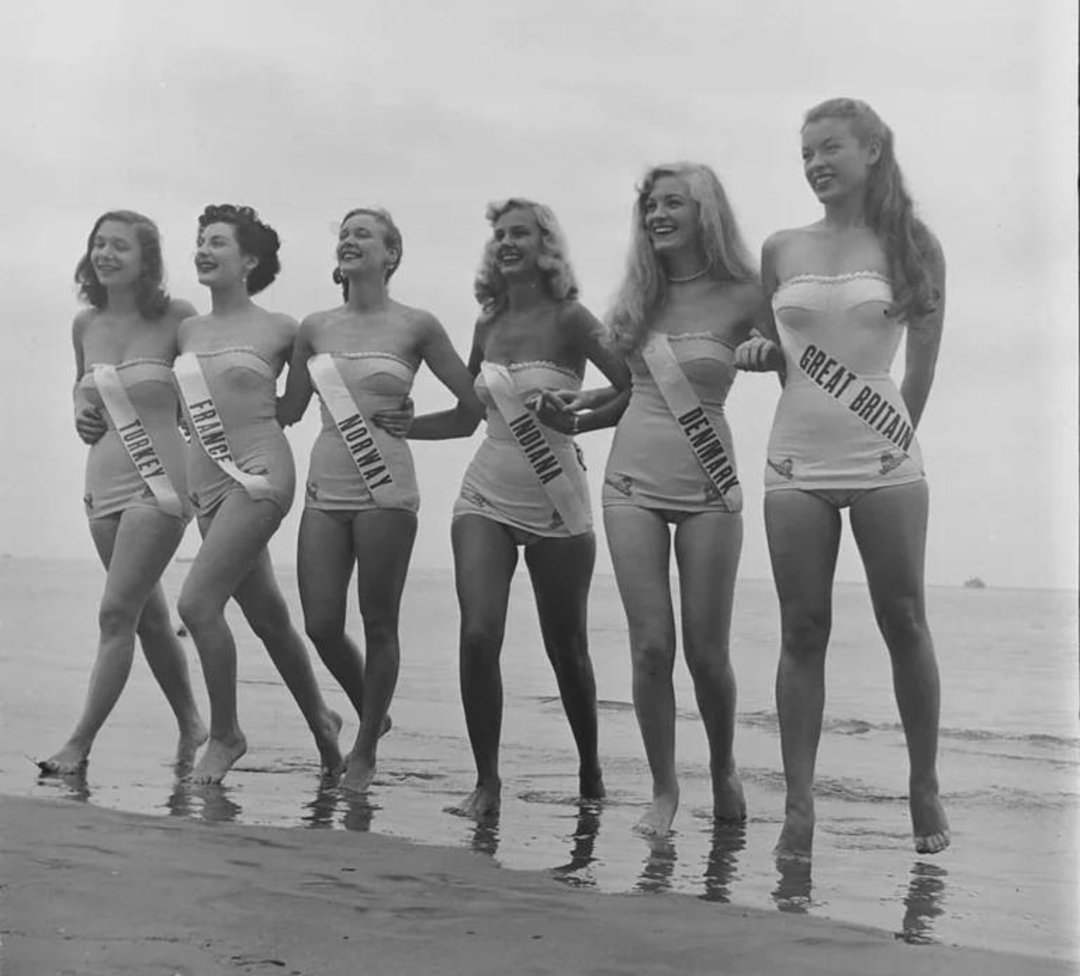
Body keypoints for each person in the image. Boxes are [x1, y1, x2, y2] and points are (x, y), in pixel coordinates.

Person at [735, 98, 949, 858]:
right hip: (795, 456)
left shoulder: (912, 244)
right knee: (802, 630)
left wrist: (896, 441)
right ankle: (798, 807)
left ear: (872, 151)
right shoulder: (780, 248)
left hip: (885, 458)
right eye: (806, 154)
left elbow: (921, 366)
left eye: (830, 148)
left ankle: (923, 783)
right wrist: (761, 354)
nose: (815, 164)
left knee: (905, 620)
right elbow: (778, 351)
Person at [546, 163, 762, 836]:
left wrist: (767, 350)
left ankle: (723, 766)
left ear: (706, 214)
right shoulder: (638, 298)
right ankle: (664, 790)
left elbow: (790, 357)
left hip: (709, 486)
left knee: (707, 652)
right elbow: (629, 394)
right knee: (649, 647)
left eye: (673, 203)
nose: (658, 215)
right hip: (630, 483)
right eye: (650, 205)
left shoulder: (746, 293)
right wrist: (579, 412)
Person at [407, 198, 629, 820]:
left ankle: (590, 773)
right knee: (479, 633)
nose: (506, 243)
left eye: (520, 234)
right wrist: (401, 426)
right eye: (499, 234)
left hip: (557, 493)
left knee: (568, 648)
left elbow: (632, 386)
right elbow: (468, 416)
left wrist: (579, 420)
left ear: (545, 246)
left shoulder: (572, 318)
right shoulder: (488, 323)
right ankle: (487, 784)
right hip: (486, 490)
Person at [277, 207, 480, 793]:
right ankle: (375, 712)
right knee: (320, 623)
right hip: (325, 487)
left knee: (379, 622)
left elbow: (472, 411)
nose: (349, 240)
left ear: (391, 254)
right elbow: (288, 409)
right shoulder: (314, 327)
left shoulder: (417, 325)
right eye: (343, 234)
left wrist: (414, 425)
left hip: (385, 490)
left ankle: (364, 748)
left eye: (362, 234)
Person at [175, 204, 341, 785]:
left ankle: (226, 734)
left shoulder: (281, 329)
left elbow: (294, 405)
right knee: (268, 617)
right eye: (201, 240)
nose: (203, 249)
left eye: (217, 241)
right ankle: (323, 722)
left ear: (249, 260)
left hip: (261, 472)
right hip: (205, 485)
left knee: (196, 605)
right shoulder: (186, 331)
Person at [38, 210, 207, 777]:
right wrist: (79, 413)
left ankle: (78, 744)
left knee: (115, 613)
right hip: (102, 485)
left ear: (146, 261)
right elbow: (81, 388)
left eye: (120, 246)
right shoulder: (85, 324)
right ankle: (192, 725)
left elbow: (209, 383)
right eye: (99, 244)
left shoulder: (178, 317)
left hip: (160, 484)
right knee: (147, 618)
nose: (105, 254)